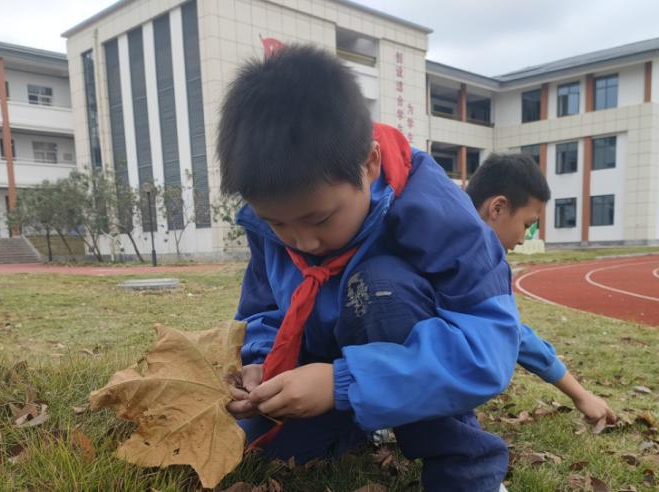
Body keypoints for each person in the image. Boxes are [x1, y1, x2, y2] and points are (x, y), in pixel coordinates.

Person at [220, 45, 519, 492]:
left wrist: (343, 383)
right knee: (269, 449)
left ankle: (466, 464)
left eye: (320, 219)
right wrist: (262, 362)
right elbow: (264, 306)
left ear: (370, 163)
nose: (302, 242)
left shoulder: (436, 212)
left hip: (389, 356)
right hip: (324, 374)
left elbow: (487, 350)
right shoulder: (277, 216)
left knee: (379, 286)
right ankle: (364, 422)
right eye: (277, 223)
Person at [466, 154, 617, 424]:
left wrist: (579, 393)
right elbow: (512, 333)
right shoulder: (480, 262)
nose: (523, 239)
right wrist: (580, 395)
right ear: (497, 208)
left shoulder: (435, 229)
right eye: (526, 225)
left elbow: (509, 328)